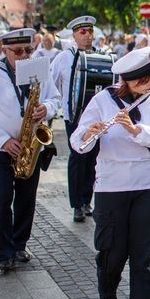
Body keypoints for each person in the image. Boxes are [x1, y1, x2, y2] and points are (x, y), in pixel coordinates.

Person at [71, 46, 150, 299]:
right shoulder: (103, 100)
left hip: (148, 184)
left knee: (145, 255)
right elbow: (78, 141)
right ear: (125, 81)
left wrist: (136, 130)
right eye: (141, 81)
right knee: (113, 252)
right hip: (111, 186)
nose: (148, 84)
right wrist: (88, 133)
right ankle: (108, 288)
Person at [0, 28, 61, 271]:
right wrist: (2, 140)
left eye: (28, 50)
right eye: (18, 51)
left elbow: (55, 97)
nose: (24, 56)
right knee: (1, 199)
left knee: (26, 200)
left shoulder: (40, 70)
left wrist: (47, 109)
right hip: (1, 148)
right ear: (4, 50)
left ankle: (20, 243)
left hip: (30, 145)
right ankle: (4, 252)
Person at [51, 16, 106, 222]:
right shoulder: (64, 57)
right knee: (78, 158)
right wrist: (61, 104)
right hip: (74, 116)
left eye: (90, 32)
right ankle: (76, 204)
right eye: (83, 32)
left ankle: (86, 200)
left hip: (95, 117)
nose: (88, 36)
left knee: (93, 158)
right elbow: (51, 84)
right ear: (74, 35)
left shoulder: (100, 55)